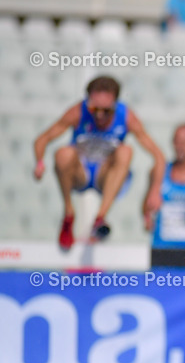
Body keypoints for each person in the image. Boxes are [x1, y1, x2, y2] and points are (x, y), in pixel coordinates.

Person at [32, 75, 165, 250]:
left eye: (106, 111)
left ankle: (100, 218)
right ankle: (69, 213)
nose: (100, 115)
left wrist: (155, 190)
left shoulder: (126, 117)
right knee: (63, 153)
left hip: (106, 176)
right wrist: (39, 162)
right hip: (80, 173)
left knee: (126, 151)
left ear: (115, 105)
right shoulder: (78, 112)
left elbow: (159, 156)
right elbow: (43, 139)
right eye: (94, 109)